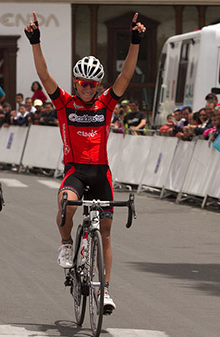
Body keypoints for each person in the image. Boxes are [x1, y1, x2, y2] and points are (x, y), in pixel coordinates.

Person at [25, 11, 145, 313]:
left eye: (92, 83)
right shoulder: (65, 102)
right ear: (75, 83)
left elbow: (126, 76)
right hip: (75, 172)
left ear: (98, 84)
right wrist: (35, 42)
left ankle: (104, 290)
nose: (87, 87)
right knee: (66, 204)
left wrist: (134, 42)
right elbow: (44, 75)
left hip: (101, 173)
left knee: (105, 232)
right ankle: (67, 242)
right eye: (82, 82)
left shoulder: (106, 102)